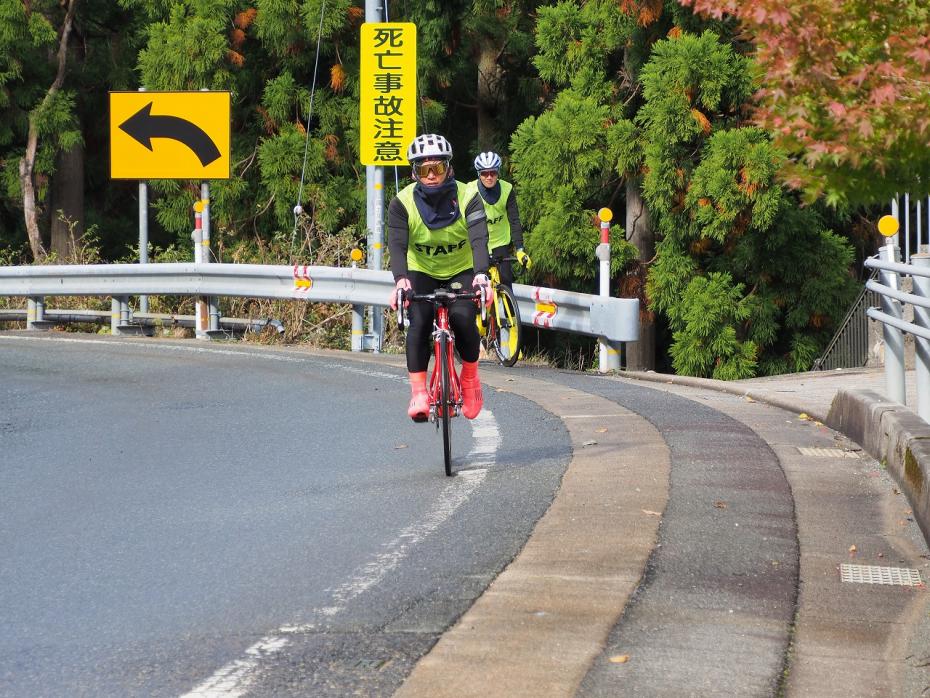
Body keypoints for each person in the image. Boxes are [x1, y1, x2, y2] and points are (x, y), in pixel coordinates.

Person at [388, 134, 493, 422]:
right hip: (420, 270)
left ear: (449, 168)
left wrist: (482, 276)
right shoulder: (402, 203)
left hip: (462, 269)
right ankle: (419, 393)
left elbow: (479, 239)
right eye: (424, 170)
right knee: (419, 322)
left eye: (437, 168)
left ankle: (470, 380)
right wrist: (400, 280)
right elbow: (396, 245)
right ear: (414, 173)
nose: (432, 176)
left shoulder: (468, 197)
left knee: (462, 317)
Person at [468, 151, 532, 289]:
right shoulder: (469, 190)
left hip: (500, 244)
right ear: (479, 174)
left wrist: (520, 249)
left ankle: (511, 310)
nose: (489, 177)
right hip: (477, 245)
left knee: (507, 285)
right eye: (484, 173)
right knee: (477, 290)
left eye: (493, 173)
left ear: (498, 172)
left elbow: (514, 220)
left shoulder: (507, 189)